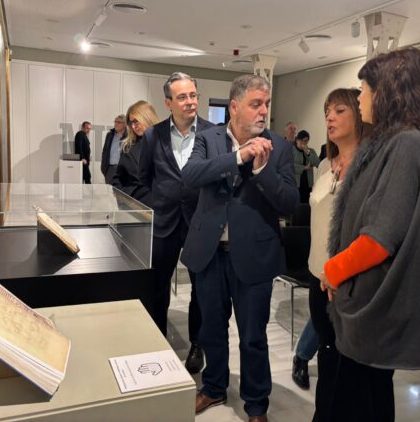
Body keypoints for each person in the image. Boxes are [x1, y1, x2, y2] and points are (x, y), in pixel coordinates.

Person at [320, 47, 420, 421]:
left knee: (358, 403)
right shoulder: (399, 142)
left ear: (388, 92)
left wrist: (333, 270)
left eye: (364, 90)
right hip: (368, 301)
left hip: (374, 308)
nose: (360, 98)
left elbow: (379, 239)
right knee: (370, 398)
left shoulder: (407, 144)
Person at [181, 74, 299, 422]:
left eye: (267, 104)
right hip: (210, 254)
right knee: (211, 329)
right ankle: (214, 387)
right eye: (255, 104)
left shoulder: (280, 147)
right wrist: (238, 157)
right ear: (234, 107)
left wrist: (262, 172)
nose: (263, 111)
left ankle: (256, 404)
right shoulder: (208, 138)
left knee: (253, 337)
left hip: (254, 257)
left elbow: (290, 203)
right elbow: (191, 175)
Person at [292, 89, 366, 416]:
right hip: (317, 273)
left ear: (360, 116)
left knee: (347, 361)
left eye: (339, 110)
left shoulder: (371, 168)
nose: (329, 118)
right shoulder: (324, 165)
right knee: (326, 350)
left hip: (349, 278)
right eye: (327, 112)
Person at [139, 72, 213, 374]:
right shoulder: (152, 136)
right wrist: (157, 205)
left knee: (201, 289)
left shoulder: (212, 133)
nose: (190, 101)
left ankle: (197, 344)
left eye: (193, 95)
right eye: (182, 97)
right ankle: (157, 340)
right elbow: (143, 179)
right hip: (164, 223)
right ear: (168, 102)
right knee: (158, 288)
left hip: (200, 223)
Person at [112, 103, 159, 206]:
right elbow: (118, 177)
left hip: (160, 206)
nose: (133, 126)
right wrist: (123, 197)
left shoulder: (166, 143)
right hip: (134, 204)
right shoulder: (128, 147)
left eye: (136, 121)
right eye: (131, 122)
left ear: (147, 117)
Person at [293, 130, 320, 203]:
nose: (304, 143)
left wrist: (308, 153)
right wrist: (304, 168)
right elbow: (290, 165)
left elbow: (317, 163)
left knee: (306, 204)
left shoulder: (311, 151)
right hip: (296, 184)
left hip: (308, 183)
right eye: (302, 141)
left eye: (306, 141)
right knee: (296, 204)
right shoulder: (292, 150)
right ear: (297, 140)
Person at [101, 114, 127, 184]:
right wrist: (104, 168)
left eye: (118, 122)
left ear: (124, 124)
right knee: (109, 190)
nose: (116, 124)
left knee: (121, 190)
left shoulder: (128, 136)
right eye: (115, 121)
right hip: (110, 169)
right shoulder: (109, 135)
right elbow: (105, 151)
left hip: (122, 169)